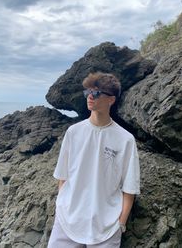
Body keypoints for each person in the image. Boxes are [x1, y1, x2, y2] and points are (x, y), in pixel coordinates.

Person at [48, 72, 140, 248]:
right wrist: (61, 207)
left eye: (96, 93)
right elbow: (63, 176)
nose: (90, 97)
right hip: (68, 220)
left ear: (111, 100)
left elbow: (130, 188)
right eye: (88, 92)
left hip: (106, 226)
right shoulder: (73, 133)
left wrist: (120, 223)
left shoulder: (125, 139)